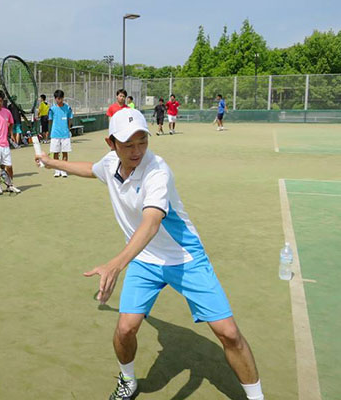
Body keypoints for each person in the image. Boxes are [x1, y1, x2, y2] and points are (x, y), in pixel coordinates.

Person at [34, 108, 265, 400]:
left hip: (184, 258)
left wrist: (117, 264)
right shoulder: (109, 164)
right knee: (126, 328)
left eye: (142, 141)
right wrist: (49, 161)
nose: (136, 151)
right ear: (111, 144)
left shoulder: (158, 171)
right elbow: (90, 169)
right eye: (128, 144)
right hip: (144, 260)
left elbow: (151, 223)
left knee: (229, 334)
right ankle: (128, 381)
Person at [48, 89, 73, 178]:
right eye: (58, 98)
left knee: (65, 152)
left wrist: (68, 128)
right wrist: (52, 130)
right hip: (55, 134)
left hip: (65, 134)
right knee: (55, 152)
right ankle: (57, 170)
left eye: (61, 98)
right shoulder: (52, 109)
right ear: (55, 99)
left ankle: (64, 170)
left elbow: (70, 119)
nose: (59, 100)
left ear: (63, 98)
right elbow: (50, 121)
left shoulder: (68, 108)